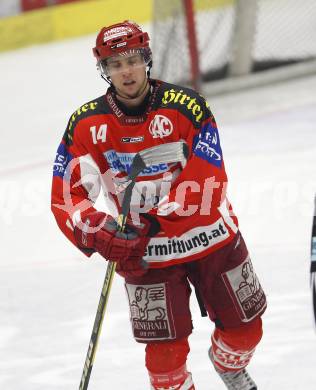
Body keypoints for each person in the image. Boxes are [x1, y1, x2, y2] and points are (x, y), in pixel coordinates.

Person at [51, 20, 267, 390]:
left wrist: (150, 222)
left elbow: (207, 180)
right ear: (103, 69)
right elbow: (67, 196)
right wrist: (101, 231)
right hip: (143, 254)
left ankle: (227, 366)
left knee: (246, 332)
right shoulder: (85, 125)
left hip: (210, 236)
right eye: (115, 64)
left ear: (146, 59)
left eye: (132, 60)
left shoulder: (187, 107)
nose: (126, 71)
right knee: (164, 362)